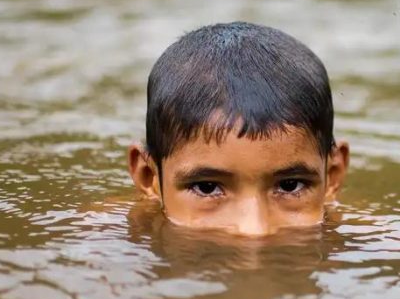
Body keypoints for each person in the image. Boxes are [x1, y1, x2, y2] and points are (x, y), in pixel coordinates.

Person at [127, 22, 349, 236]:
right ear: (149, 177)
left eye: (290, 186)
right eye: (206, 188)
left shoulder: (372, 242)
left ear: (332, 175)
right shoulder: (104, 242)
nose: (254, 230)